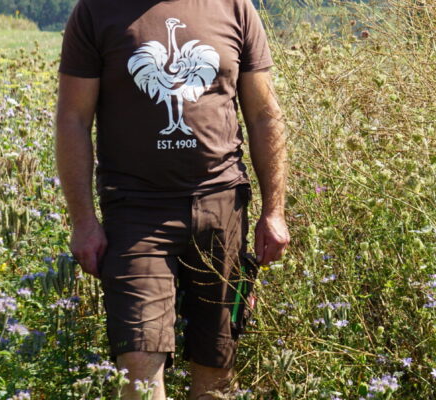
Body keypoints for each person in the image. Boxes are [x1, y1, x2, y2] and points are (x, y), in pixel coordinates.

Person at [54, 0, 289, 398]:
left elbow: (265, 115)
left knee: (216, 368)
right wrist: (83, 221)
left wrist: (274, 211)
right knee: (140, 374)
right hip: (135, 212)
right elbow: (73, 118)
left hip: (223, 204)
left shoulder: (234, 7)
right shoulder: (96, 11)